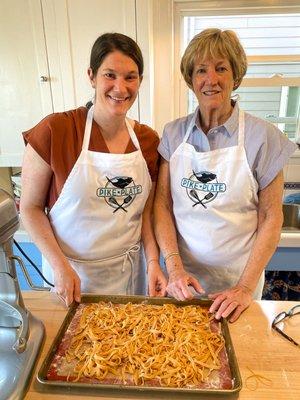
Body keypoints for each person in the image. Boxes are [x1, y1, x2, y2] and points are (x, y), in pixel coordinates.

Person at [154, 28, 297, 322]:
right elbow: (162, 206)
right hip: (182, 282)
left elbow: (272, 217)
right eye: (201, 70)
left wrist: (244, 287)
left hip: (238, 285)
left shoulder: (263, 137)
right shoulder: (173, 133)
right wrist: (175, 268)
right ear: (191, 80)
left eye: (221, 68)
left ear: (235, 76)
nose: (211, 79)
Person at [20, 32, 167, 306]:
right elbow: (29, 208)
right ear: (92, 76)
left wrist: (153, 262)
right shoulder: (56, 130)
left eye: (130, 77)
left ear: (140, 81)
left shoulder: (148, 141)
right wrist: (60, 267)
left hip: (128, 277)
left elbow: (146, 211)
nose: (120, 88)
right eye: (109, 75)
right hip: (70, 277)